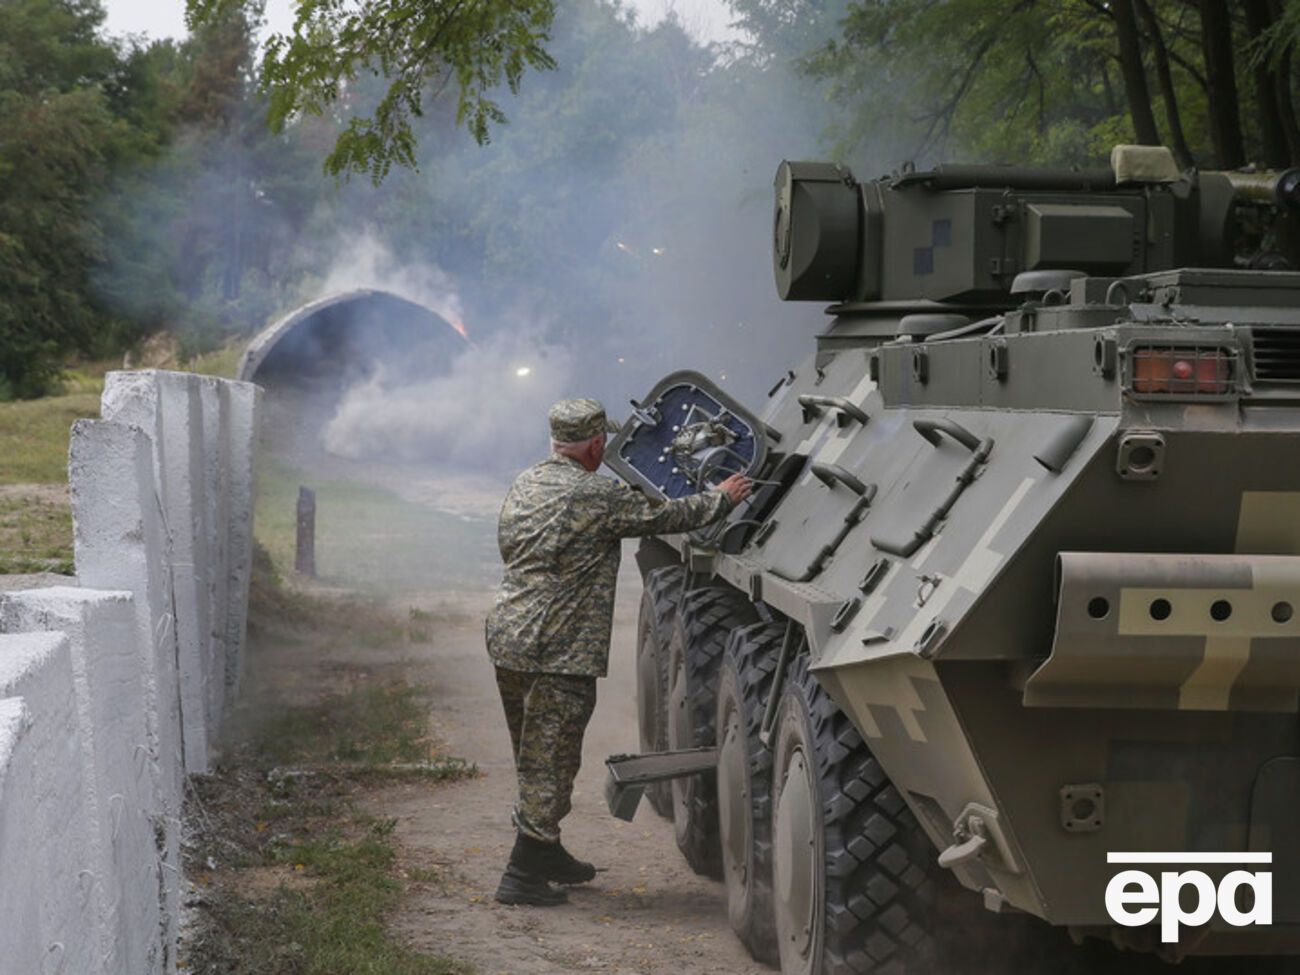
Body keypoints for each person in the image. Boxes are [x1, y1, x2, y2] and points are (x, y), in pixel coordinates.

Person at [486, 397, 753, 906]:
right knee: (553, 758)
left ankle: (545, 850)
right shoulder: (593, 496)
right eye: (602, 442)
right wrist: (723, 496)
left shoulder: (528, 482)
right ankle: (521, 875)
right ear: (594, 445)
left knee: (535, 754)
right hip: (557, 648)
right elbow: (668, 514)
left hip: (510, 637)